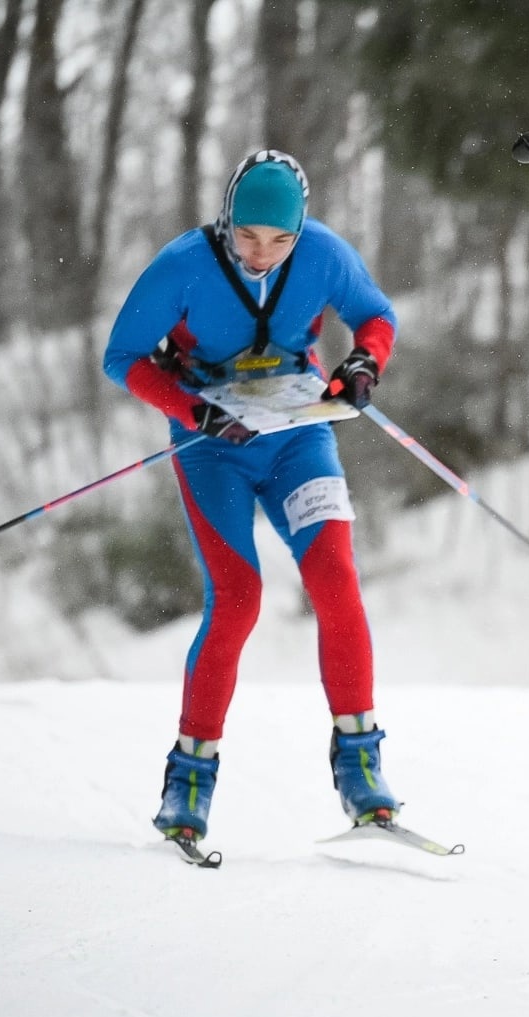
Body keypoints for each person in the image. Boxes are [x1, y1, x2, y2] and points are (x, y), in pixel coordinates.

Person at [102, 149, 402, 849]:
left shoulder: (324, 253)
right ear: (226, 220)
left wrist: (365, 361)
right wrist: (190, 410)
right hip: (216, 445)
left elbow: (375, 315)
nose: (262, 254)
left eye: (279, 240)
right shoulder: (183, 265)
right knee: (237, 597)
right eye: (247, 236)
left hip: (300, 436)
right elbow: (123, 357)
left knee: (335, 579)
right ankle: (190, 773)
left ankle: (360, 761)